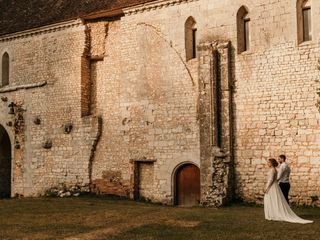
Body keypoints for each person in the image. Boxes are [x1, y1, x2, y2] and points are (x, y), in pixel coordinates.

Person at [264, 158, 313, 224]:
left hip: (272, 186)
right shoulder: (275, 170)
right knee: (273, 199)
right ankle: (273, 213)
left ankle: (273, 214)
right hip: (275, 185)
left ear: (272, 163)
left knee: (271, 199)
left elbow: (271, 180)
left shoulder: (272, 170)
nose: (267, 163)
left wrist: (266, 187)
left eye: (269, 162)